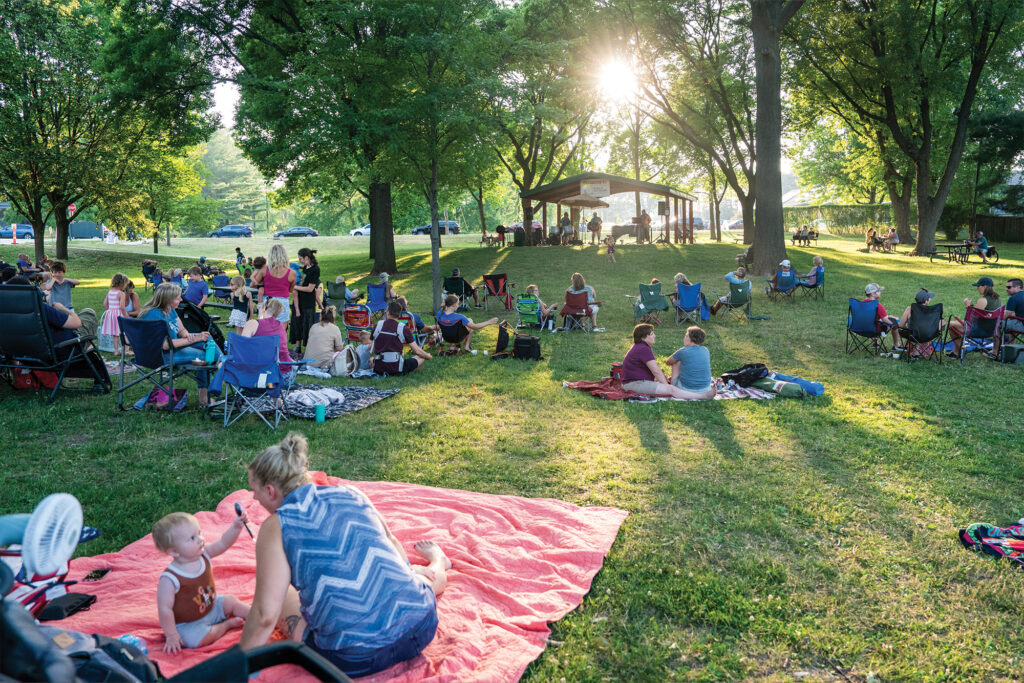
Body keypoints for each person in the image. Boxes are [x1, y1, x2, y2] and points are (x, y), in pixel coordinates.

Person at [239, 433, 450, 677]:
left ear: (270, 490)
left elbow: (265, 614)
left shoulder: (276, 526)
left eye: (255, 492)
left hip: (355, 658)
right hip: (421, 627)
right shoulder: (351, 493)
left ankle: (432, 564)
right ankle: (437, 563)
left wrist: (237, 667)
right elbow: (392, 543)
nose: (254, 499)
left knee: (281, 592)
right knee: (407, 580)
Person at [153, 511, 251, 654]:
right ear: (174, 552)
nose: (200, 539)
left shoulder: (204, 555)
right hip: (188, 624)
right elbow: (164, 609)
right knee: (195, 641)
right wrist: (171, 635)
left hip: (212, 607)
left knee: (231, 601)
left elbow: (223, 543)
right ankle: (225, 626)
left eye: (199, 533)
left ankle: (258, 616)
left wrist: (236, 526)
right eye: (192, 538)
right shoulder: (170, 579)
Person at [139, 283, 224, 406]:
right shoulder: (155, 315)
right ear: (167, 299)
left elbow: (181, 330)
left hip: (173, 349)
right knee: (205, 356)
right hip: (160, 356)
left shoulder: (170, 310)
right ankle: (206, 395)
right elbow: (165, 345)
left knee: (207, 339)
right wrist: (195, 339)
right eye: (177, 297)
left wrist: (188, 335)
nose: (181, 299)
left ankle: (223, 362)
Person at [620, 324, 694, 399]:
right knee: (671, 389)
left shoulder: (640, 346)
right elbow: (656, 371)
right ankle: (701, 396)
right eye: (651, 334)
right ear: (643, 337)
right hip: (634, 384)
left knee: (665, 383)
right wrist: (667, 386)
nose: (654, 336)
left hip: (633, 382)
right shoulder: (643, 349)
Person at [372, 300, 432, 375]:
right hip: (397, 368)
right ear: (399, 315)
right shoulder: (403, 328)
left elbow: (374, 350)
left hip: (379, 368)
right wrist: (428, 356)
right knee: (421, 357)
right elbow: (417, 351)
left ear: (387, 313)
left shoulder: (377, 325)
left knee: (372, 359)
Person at [947, 276, 1001, 355]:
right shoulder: (998, 299)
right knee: (955, 323)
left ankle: (960, 349)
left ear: (984, 286)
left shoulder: (983, 300)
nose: (977, 288)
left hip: (977, 330)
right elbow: (980, 314)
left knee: (950, 325)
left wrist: (968, 307)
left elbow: (972, 319)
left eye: (978, 286)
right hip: (992, 330)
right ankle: (956, 351)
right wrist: (972, 307)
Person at [665, 326, 717, 400]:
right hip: (706, 389)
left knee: (676, 361)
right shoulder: (705, 350)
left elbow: (668, 362)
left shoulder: (683, 351)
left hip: (686, 389)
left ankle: (674, 385)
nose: (684, 338)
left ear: (690, 338)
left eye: (686, 336)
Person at [241, 298, 291, 365]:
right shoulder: (281, 326)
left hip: (260, 368)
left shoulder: (252, 324)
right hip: (283, 368)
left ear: (264, 308)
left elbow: (241, 347)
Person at [290, 248, 321, 355]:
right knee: (297, 322)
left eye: (301, 258)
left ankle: (308, 348)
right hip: (298, 300)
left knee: (307, 325)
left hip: (308, 302)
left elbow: (310, 289)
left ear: (306, 258)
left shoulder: (315, 270)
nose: (300, 261)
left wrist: (295, 287)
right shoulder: (304, 268)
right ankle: (297, 347)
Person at [303, 306, 347, 375]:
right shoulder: (335, 328)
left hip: (308, 362)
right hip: (323, 363)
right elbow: (339, 348)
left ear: (321, 316)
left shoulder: (313, 326)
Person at [262, 245, 295, 332]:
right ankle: (280, 345)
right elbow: (291, 289)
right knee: (282, 330)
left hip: (267, 300)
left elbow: (257, 283)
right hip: (282, 301)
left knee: (265, 328)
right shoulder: (291, 273)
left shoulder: (264, 270)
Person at [861, 282, 902, 350]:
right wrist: (894, 322)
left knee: (874, 320)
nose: (880, 292)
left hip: (860, 328)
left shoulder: (860, 304)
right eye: (878, 291)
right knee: (893, 323)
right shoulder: (877, 306)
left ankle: (876, 343)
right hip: (874, 330)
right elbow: (885, 320)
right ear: (872, 294)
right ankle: (896, 345)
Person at [101, 273, 129, 355]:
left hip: (111, 314)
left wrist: (110, 311)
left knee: (115, 334)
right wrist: (125, 315)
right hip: (119, 315)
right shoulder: (121, 293)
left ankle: (116, 350)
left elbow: (105, 304)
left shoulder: (110, 292)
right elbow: (122, 307)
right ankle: (126, 350)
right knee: (125, 332)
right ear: (122, 284)